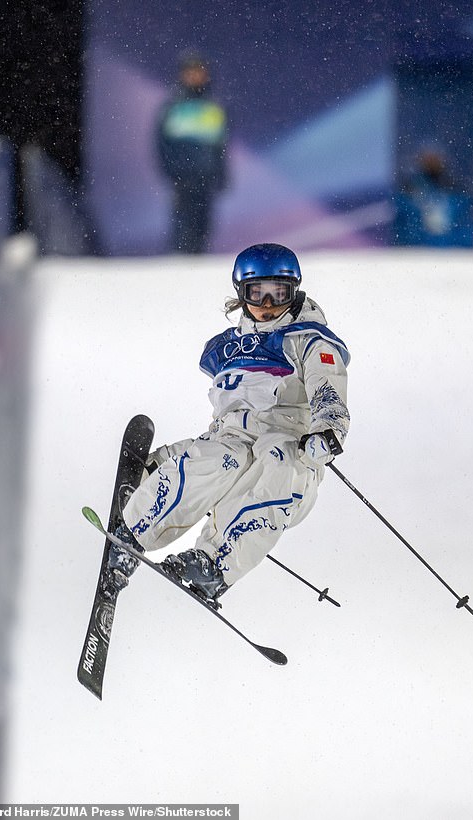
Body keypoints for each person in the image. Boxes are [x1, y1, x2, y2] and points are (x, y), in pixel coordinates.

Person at [109, 243, 351, 607]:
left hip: (291, 449)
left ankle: (213, 564)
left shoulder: (308, 340)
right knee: (220, 458)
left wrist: (327, 431)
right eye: (258, 293)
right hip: (233, 436)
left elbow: (328, 388)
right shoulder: (227, 347)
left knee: (275, 458)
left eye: (279, 293)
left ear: (294, 290)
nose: (268, 305)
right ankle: (136, 529)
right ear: (241, 293)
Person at [156, 51, 228, 253]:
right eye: (191, 72)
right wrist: (172, 170)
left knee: (203, 223)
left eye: (199, 71)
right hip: (183, 176)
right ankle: (182, 260)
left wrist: (222, 174)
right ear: (182, 75)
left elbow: (220, 146)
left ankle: (197, 259)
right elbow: (161, 144)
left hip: (206, 176)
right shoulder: (173, 107)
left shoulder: (213, 107)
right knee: (183, 222)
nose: (195, 76)